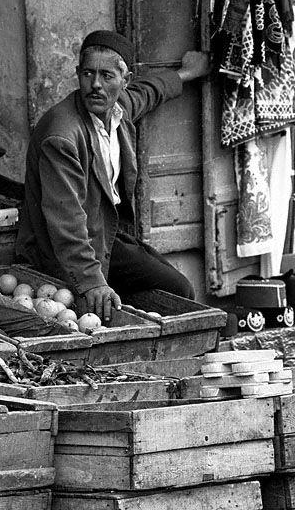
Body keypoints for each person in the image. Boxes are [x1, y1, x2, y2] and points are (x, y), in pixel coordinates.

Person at [15, 29, 210, 322]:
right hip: (61, 251)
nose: (95, 85)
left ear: (124, 81)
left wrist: (185, 73)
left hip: (107, 236)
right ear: (78, 74)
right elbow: (65, 219)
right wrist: (92, 282)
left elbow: (148, 92)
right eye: (87, 74)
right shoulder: (62, 135)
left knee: (179, 289)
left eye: (107, 76)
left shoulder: (117, 109)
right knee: (158, 297)